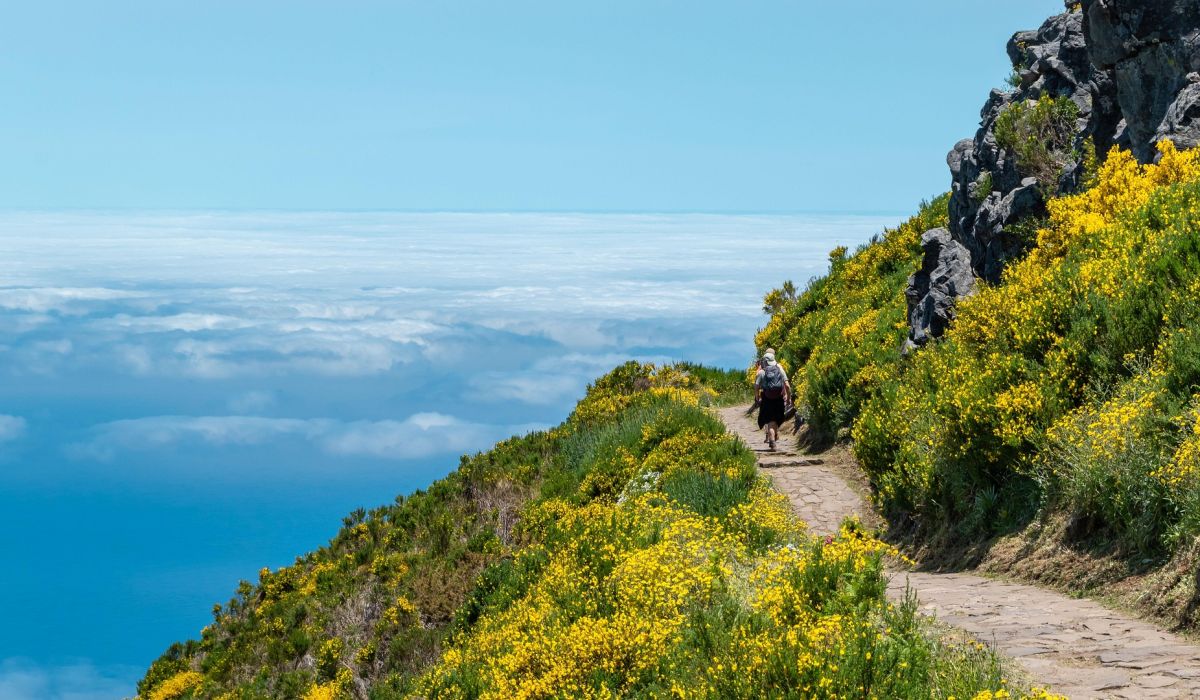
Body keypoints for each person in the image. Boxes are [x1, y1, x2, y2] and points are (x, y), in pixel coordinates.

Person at [755, 348, 791, 451]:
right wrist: (788, 398)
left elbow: (756, 386)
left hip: (767, 398)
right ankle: (773, 439)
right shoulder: (779, 368)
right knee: (775, 420)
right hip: (778, 398)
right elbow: (787, 386)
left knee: (770, 420)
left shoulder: (761, 372)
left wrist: (757, 397)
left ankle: (772, 440)